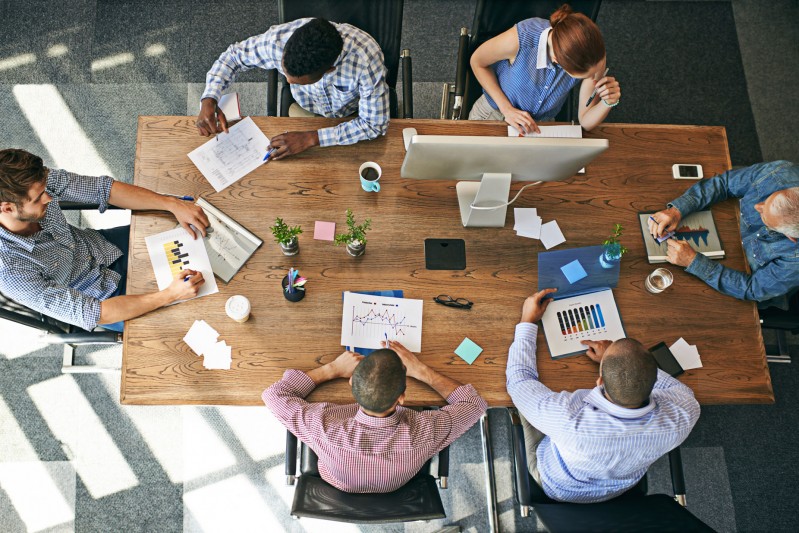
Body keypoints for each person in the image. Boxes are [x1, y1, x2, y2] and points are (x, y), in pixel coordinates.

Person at [506, 289, 700, 503]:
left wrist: (527, 320)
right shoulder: (684, 414)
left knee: (516, 401)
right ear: (655, 384)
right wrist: (624, 363)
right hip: (618, 489)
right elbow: (676, 387)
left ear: (599, 382)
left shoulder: (569, 419)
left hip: (558, 484)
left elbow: (519, 380)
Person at [0, 148, 209, 332]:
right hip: (103, 299)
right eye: (39, 199)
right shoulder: (9, 270)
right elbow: (93, 312)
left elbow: (102, 189)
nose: (50, 197)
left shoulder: (36, 183)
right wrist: (169, 295)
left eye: (46, 189)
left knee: (199, 238)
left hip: (101, 246)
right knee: (199, 314)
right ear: (7, 208)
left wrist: (171, 203)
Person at [263, 341, 487, 493]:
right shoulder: (425, 431)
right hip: (396, 485)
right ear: (402, 398)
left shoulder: (322, 427)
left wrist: (332, 369)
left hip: (339, 482)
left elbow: (274, 395)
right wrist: (420, 370)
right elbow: (474, 404)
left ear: (351, 384)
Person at [197, 18, 389, 160]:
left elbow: (374, 124)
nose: (287, 81)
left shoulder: (366, 59)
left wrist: (311, 138)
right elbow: (232, 57)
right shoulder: (277, 41)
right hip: (304, 110)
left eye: (298, 82)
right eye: (285, 72)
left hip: (352, 117)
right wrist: (210, 98)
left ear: (329, 70)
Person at [648, 160, 799, 309]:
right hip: (725, 220)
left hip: (735, 277)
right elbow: (724, 183)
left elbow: (752, 289)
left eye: (763, 216)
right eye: (767, 200)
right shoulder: (781, 173)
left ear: (790, 237)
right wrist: (677, 210)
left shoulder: (795, 262)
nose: (756, 206)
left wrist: (693, 262)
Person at [469, 4, 620, 133]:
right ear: (557, 61)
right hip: (495, 113)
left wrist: (607, 102)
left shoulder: (593, 57)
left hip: (542, 127)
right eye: (586, 76)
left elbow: (585, 120)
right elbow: (477, 62)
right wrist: (506, 109)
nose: (595, 79)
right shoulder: (522, 38)